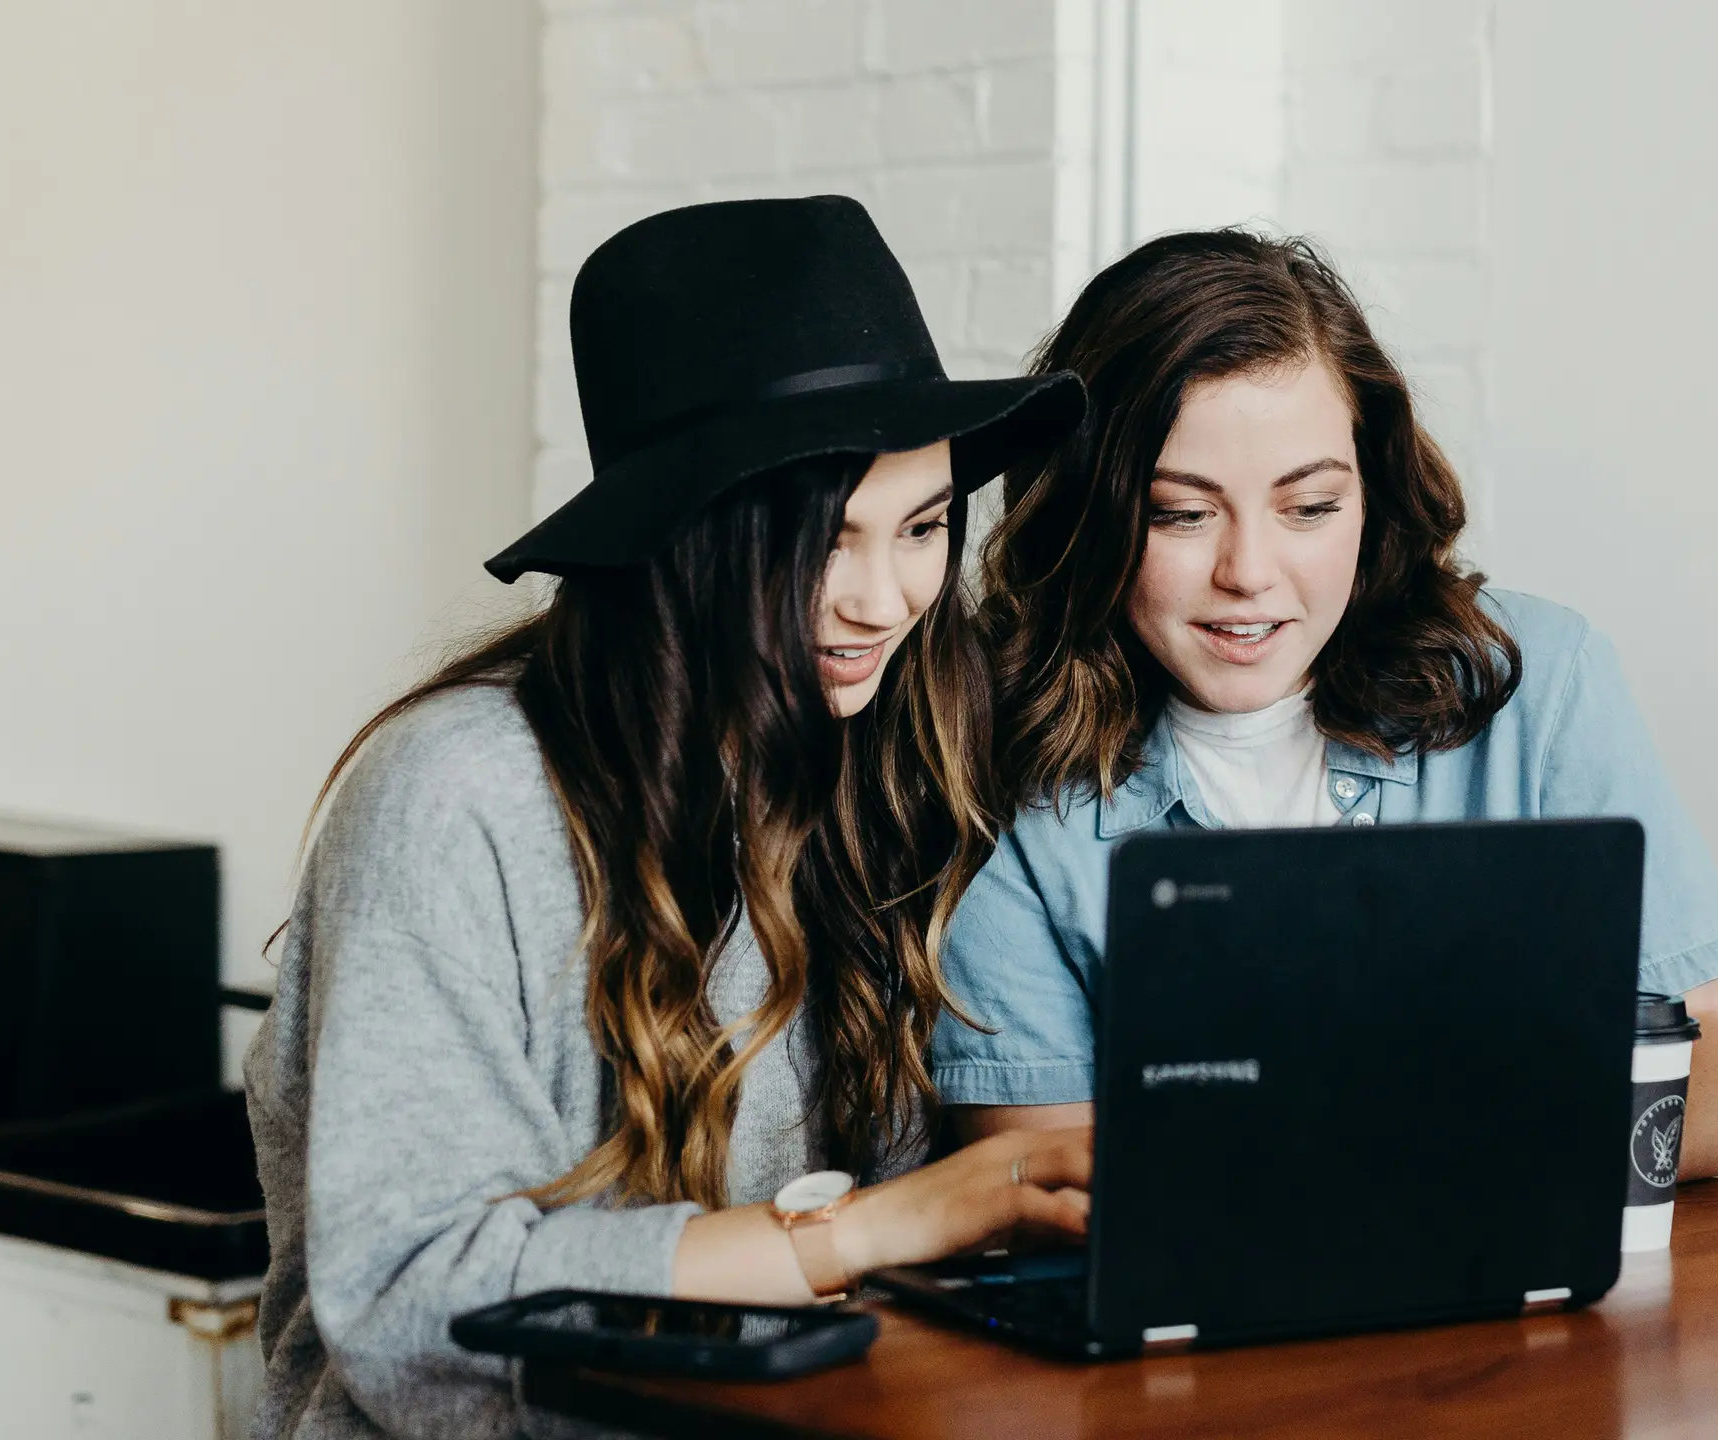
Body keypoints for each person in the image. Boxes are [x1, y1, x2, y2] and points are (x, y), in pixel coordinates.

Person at [243, 197, 1091, 1438]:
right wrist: (873, 1226)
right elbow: (416, 1303)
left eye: (921, 528)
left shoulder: (881, 768)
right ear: (682, 537)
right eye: (820, 539)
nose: (881, 599)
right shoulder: (458, 793)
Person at [934, 230, 1718, 1179]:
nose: (1248, 574)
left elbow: (1710, 1101)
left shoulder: (1536, 682)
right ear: (1088, 515)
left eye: (1310, 507)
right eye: (1181, 514)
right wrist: (1484, 1095)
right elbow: (1036, 1183)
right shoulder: (997, 764)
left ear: (1372, 496)